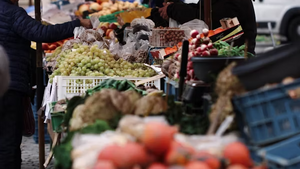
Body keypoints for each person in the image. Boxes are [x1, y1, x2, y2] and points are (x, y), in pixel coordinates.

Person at [0, 0, 92, 167]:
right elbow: (41, 33)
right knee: (8, 143)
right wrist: (77, 23)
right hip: (8, 86)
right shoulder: (11, 12)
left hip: (9, 81)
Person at [156, 0, 257, 54]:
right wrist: (174, 7)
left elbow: (205, 17)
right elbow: (201, 9)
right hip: (223, 57)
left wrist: (172, 9)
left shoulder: (231, 3)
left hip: (235, 59)